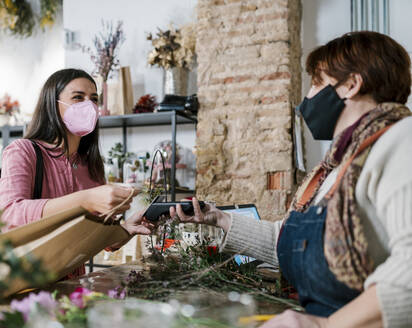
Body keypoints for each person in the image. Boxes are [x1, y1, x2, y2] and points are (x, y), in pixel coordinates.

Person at [170, 31, 412, 327]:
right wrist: (219, 220)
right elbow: (296, 244)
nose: (307, 99)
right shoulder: (337, 165)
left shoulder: (401, 140)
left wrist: (325, 326)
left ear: (351, 84)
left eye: (316, 84)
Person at [0, 69, 152, 276]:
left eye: (94, 99)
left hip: (72, 287)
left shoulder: (91, 165)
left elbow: (97, 239)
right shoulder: (23, 151)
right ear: (53, 104)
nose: (88, 105)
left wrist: (124, 229)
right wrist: (86, 199)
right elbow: (9, 215)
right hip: (25, 285)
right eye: (78, 98)